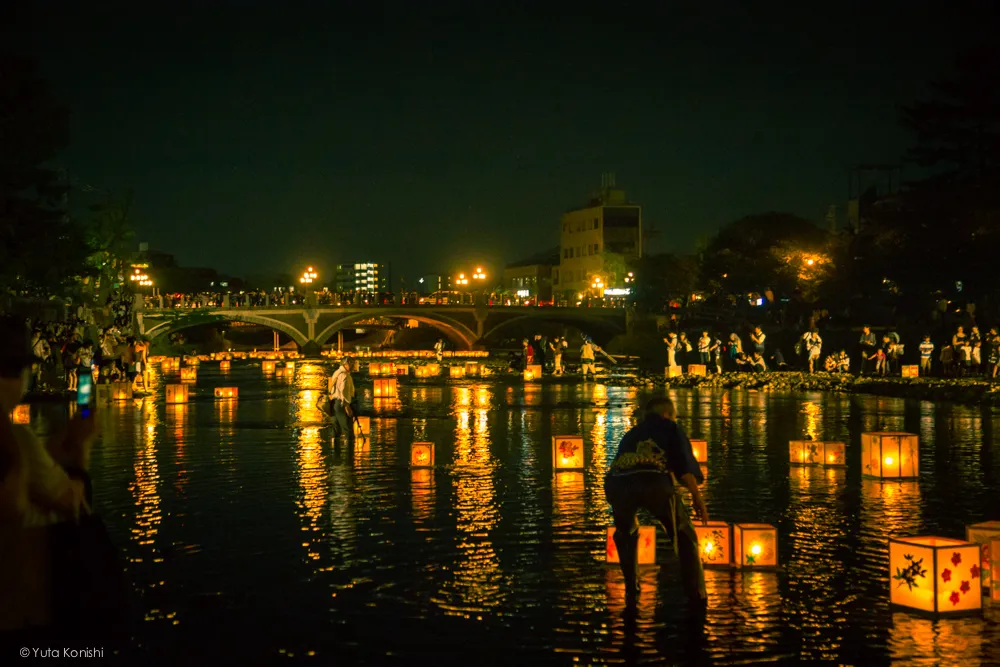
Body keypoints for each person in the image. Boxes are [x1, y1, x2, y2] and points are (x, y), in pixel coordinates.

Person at [0, 316, 98, 632]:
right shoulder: (13, 440)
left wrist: (53, 454)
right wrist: (80, 451)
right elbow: (71, 502)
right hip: (19, 597)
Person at [604, 396, 708, 614]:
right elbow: (683, 465)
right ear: (667, 414)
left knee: (626, 534)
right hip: (654, 483)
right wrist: (696, 496)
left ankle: (632, 590)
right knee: (685, 535)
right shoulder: (670, 428)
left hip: (618, 484)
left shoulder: (631, 434)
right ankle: (696, 594)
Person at [328, 359, 356, 446]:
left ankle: (335, 454)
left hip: (334, 403)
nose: (352, 366)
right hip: (341, 404)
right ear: (346, 364)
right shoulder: (345, 375)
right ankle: (350, 453)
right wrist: (346, 405)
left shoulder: (337, 372)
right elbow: (343, 391)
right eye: (351, 364)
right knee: (348, 429)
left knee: (336, 430)